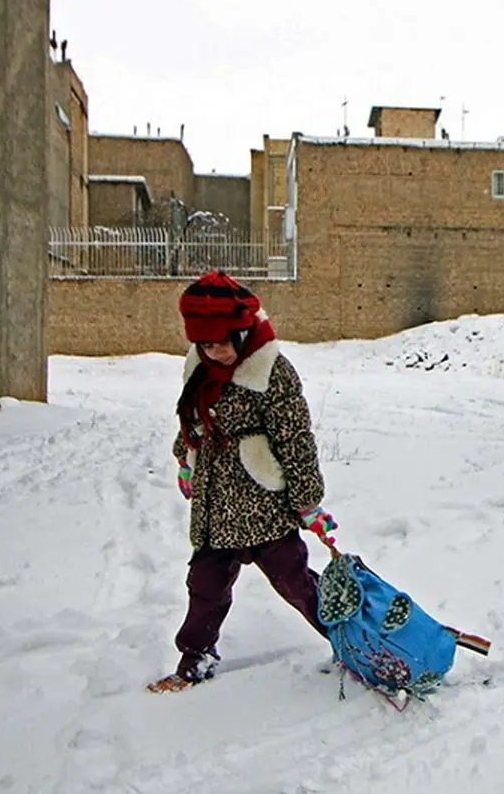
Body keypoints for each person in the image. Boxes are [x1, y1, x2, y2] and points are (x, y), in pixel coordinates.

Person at [148, 271, 338, 694]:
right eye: (204, 344)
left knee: (299, 586)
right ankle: (194, 659)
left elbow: (296, 441)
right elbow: (193, 418)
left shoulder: (273, 372)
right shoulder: (200, 368)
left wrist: (308, 504)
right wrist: (185, 460)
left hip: (266, 509)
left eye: (220, 343)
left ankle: (351, 643)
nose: (213, 352)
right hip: (217, 511)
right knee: (204, 588)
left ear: (242, 331)